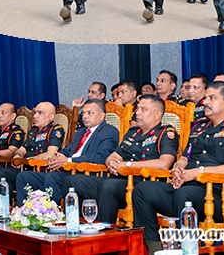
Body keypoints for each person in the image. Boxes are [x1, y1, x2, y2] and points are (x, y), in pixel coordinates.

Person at [133, 82, 224, 254]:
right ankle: (155, 250)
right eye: (205, 98)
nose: (205, 102)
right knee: (142, 190)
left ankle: (187, 250)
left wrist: (197, 173)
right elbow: (185, 157)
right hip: (188, 189)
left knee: (185, 196)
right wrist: (179, 169)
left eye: (212, 98)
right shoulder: (200, 126)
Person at [63, 95, 178, 223]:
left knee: (108, 186)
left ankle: (105, 230)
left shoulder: (166, 133)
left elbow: (164, 163)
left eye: (143, 109)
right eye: (138, 108)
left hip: (141, 183)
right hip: (119, 180)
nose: (137, 112)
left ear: (157, 114)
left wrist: (126, 165)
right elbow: (112, 156)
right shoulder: (133, 132)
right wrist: (111, 163)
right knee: (72, 181)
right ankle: (75, 227)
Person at [15, 99, 118, 205]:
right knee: (24, 176)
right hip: (69, 172)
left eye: (90, 113)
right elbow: (67, 150)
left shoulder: (109, 131)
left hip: (87, 174)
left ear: (101, 116)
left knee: (53, 177)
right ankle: (25, 213)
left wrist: (68, 161)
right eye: (83, 113)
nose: (85, 116)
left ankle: (52, 212)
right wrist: (56, 158)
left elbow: (101, 157)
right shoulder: (81, 132)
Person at [0, 102, 65, 201]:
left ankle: (5, 206)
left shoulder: (55, 130)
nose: (35, 116)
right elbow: (22, 149)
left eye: (40, 113)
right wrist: (18, 156)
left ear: (51, 117)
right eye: (35, 112)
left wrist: (27, 160)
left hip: (40, 171)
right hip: (25, 168)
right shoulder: (33, 130)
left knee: (5, 174)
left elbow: (51, 154)